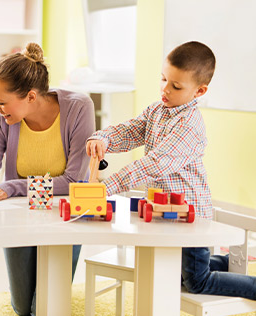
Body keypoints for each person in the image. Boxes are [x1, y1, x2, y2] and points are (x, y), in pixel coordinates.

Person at [86, 41, 256, 300]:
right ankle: (224, 262)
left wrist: (106, 188)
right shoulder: (158, 110)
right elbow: (132, 130)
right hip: (164, 213)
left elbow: (155, 163)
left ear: (199, 91)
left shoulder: (189, 125)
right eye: (163, 79)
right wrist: (103, 138)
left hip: (190, 217)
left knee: (197, 281)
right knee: (173, 274)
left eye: (176, 86)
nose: (165, 89)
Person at [0, 42, 95, 316]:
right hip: (20, 215)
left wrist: (10, 186)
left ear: (30, 97)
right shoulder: (1, 115)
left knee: (46, 306)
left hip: (65, 215)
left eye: (1, 102)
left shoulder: (78, 107)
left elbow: (74, 181)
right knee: (22, 307)